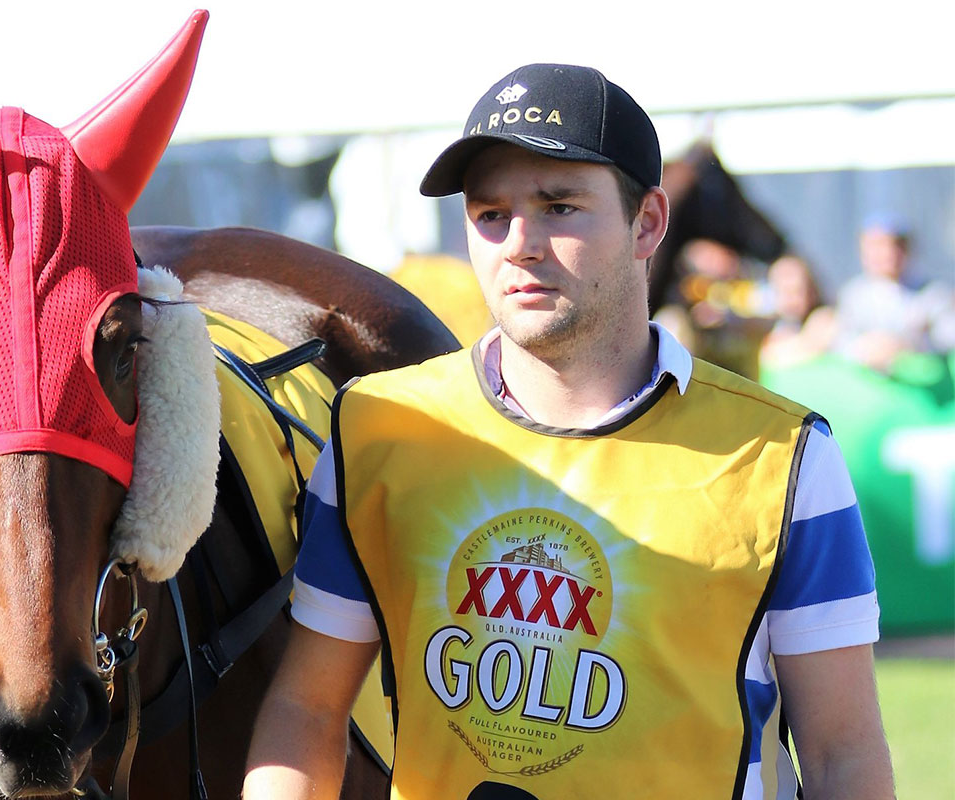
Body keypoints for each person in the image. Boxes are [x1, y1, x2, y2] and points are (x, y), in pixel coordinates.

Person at [244, 64, 894, 799]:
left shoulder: (785, 456)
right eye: (490, 214)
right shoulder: (377, 428)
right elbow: (306, 709)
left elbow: (842, 754)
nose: (519, 244)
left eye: (559, 207)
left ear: (648, 222)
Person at [834, 213, 955, 373]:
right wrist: (868, 347)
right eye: (877, 246)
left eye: (895, 246)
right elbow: (840, 342)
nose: (887, 254)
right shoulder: (853, 295)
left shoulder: (932, 294)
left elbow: (948, 337)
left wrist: (914, 342)